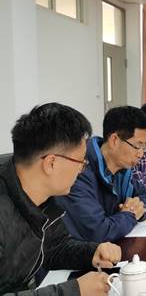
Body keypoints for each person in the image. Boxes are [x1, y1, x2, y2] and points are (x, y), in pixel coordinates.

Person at [0, 103, 121, 296]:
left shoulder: (42, 194)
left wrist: (92, 252)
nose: (82, 170)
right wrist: (74, 291)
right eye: (80, 162)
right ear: (51, 163)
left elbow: (54, 247)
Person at [56, 106, 146, 242]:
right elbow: (99, 231)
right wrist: (131, 214)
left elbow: (144, 195)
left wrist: (138, 209)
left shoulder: (122, 169)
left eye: (144, 147)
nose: (141, 154)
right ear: (114, 140)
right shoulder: (79, 172)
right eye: (138, 146)